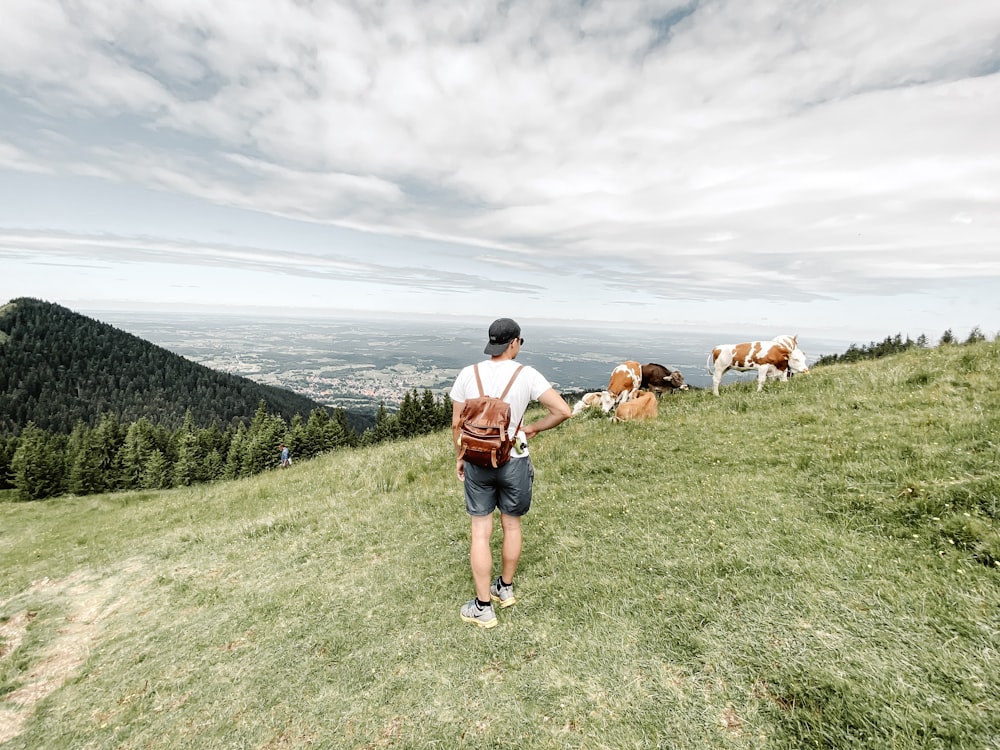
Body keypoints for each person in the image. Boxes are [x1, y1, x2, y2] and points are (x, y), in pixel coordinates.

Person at [449, 318, 572, 628]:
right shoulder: (526, 374)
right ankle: (504, 588)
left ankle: (482, 606)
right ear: (514, 342)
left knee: (480, 531)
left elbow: (456, 424)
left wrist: (460, 457)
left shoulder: (468, 374)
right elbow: (563, 411)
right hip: (514, 458)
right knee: (512, 525)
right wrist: (532, 428)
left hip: (477, 459)